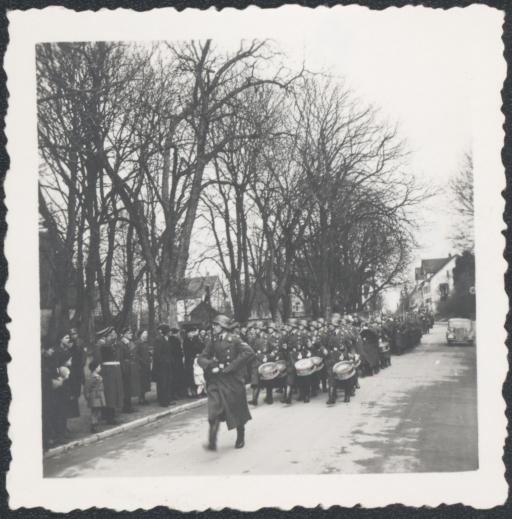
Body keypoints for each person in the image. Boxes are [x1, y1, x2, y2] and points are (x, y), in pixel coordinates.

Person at [198, 314, 255, 451]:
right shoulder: (213, 340)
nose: (214, 327)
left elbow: (249, 352)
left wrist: (231, 367)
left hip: (232, 380)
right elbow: (201, 358)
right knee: (213, 410)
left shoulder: (234, 339)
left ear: (223, 327)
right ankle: (212, 441)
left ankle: (240, 435)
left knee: (237, 410)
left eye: (217, 325)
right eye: (214, 325)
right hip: (216, 380)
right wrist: (211, 364)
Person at [96, 327, 124, 425]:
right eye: (112, 333)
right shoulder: (103, 344)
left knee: (114, 392)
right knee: (110, 393)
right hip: (108, 371)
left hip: (114, 370)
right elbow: (99, 359)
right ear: (107, 335)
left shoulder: (113, 344)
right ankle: (109, 416)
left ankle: (110, 414)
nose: (114, 334)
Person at [152, 324, 175, 407]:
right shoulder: (158, 340)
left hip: (168, 365)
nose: (170, 332)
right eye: (168, 331)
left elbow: (169, 352)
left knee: (168, 381)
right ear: (165, 331)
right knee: (162, 383)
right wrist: (165, 361)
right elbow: (157, 354)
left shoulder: (167, 339)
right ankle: (163, 401)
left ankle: (167, 399)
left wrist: (171, 360)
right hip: (162, 366)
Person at [84, 359, 106, 432]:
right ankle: (94, 426)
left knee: (97, 411)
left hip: (99, 396)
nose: (100, 368)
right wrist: (87, 396)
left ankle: (96, 425)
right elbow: (87, 388)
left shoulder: (97, 376)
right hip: (94, 396)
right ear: (95, 368)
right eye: (99, 367)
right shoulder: (92, 378)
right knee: (94, 411)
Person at [183, 327, 204, 398]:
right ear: (187, 333)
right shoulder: (186, 341)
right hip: (189, 360)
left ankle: (195, 389)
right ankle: (189, 390)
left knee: (195, 376)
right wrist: (195, 354)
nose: (192, 334)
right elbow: (188, 351)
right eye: (191, 333)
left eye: (193, 332)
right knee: (189, 375)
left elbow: (199, 347)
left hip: (194, 360)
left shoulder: (195, 340)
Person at [169, 327, 185, 400]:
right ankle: (176, 393)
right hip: (177, 360)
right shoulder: (175, 340)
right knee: (176, 377)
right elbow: (178, 350)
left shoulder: (170, 340)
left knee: (175, 377)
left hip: (174, 360)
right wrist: (181, 353)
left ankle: (176, 393)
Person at [136, 329, 152, 405]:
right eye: (144, 333)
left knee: (145, 382)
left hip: (146, 365)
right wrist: (142, 361)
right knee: (141, 382)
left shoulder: (145, 343)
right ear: (141, 334)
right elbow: (136, 354)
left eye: (147, 333)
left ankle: (143, 397)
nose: (146, 334)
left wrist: (150, 355)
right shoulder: (138, 343)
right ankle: (140, 399)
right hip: (141, 366)